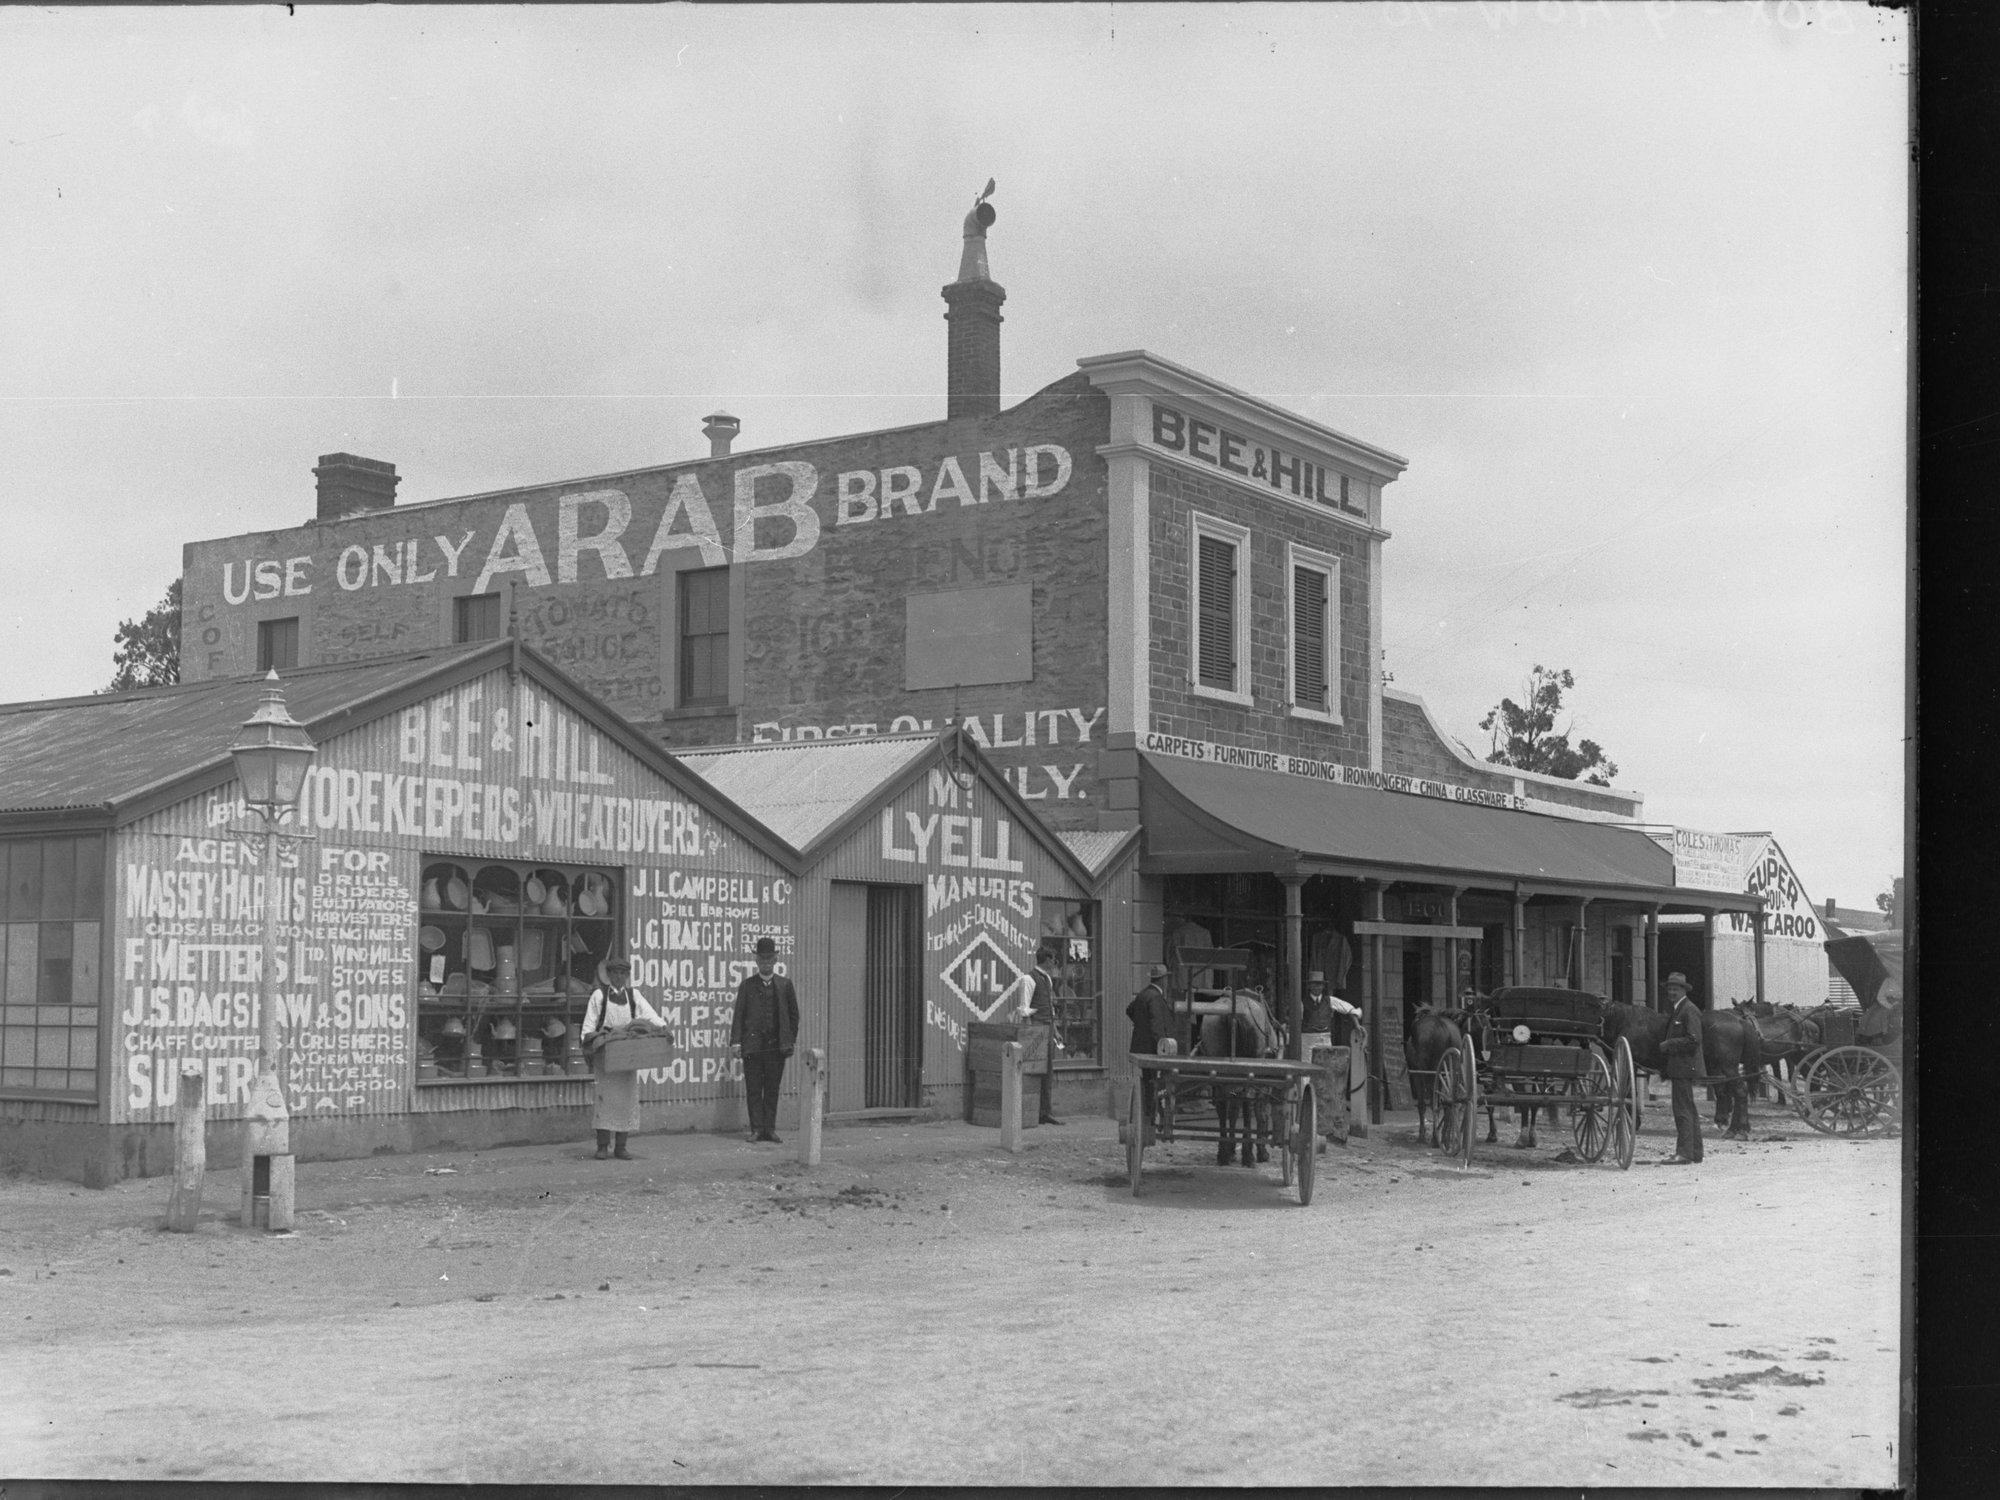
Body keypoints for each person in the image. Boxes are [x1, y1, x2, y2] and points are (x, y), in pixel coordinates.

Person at [580, 958, 666, 1160]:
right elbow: (588, 1027)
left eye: (623, 974)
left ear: (627, 976)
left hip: (627, 1055)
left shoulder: (634, 996)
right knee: (604, 1101)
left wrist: (663, 1027)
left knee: (626, 1101)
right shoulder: (598, 996)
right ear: (608, 975)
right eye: (615, 973)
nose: (619, 977)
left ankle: (621, 1146)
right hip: (606, 1056)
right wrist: (595, 1039)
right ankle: (602, 1146)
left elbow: (650, 1015)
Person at [731, 937, 799, 1144]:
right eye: (762, 960)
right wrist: (736, 1043)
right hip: (753, 1047)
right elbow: (739, 1015)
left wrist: (789, 1040)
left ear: (776, 959)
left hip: (776, 1047)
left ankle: (770, 1129)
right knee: (753, 1088)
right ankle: (756, 1129)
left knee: (772, 1088)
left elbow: (794, 1016)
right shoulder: (747, 985)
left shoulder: (785, 985)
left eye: (769, 959)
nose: (766, 963)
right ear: (756, 961)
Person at [1125, 963, 1175, 1140]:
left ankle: (1149, 1115)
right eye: (1166, 978)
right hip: (1152, 1049)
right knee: (1153, 1083)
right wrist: (1162, 1048)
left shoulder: (1143, 994)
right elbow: (1156, 1026)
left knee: (1148, 1082)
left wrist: (1140, 1025)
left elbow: (1129, 1010)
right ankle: (1150, 1117)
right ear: (1163, 980)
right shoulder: (1155, 997)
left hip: (1141, 1047)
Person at [1659, 971, 1704, 1164]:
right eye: (1669, 988)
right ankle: (1694, 1152)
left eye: (1675, 988)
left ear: (1683, 990)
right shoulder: (1679, 1009)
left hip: (1684, 1067)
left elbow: (1693, 1040)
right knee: (1689, 1109)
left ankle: (1684, 1153)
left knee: (1682, 1110)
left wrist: (1669, 1044)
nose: (1671, 992)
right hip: (1681, 1067)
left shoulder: (1688, 1010)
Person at [1023, 944, 1064, 1125]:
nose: (1055, 963)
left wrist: (1055, 1030)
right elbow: (1024, 1010)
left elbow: (1050, 1008)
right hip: (1037, 1028)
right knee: (1034, 1070)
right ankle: (1031, 1112)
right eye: (1053, 959)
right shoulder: (1029, 979)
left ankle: (1045, 1111)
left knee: (1047, 1070)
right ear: (1047, 960)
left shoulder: (1047, 979)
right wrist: (1031, 1033)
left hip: (1047, 1028)